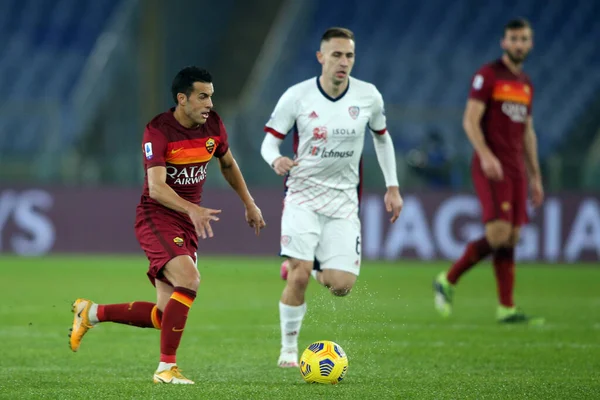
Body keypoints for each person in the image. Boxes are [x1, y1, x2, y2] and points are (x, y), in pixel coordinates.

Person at [69, 66, 266, 384]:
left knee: (164, 315)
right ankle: (166, 369)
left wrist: (249, 202)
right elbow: (157, 187)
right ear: (182, 99)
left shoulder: (213, 126)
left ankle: (91, 313)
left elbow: (227, 163)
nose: (209, 104)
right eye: (202, 97)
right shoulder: (158, 131)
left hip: (187, 221)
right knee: (189, 279)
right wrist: (193, 209)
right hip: (157, 216)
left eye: (211, 97)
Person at [260, 27, 404, 368]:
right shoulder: (297, 96)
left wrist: (393, 186)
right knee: (298, 275)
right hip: (302, 195)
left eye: (349, 55)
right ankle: (289, 351)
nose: (343, 62)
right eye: (336, 55)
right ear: (321, 57)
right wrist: (275, 159)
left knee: (341, 286)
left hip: (343, 202)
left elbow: (382, 139)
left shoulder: (369, 96)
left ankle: (307, 265)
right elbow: (269, 141)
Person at [433, 18, 544, 324]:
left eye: (524, 39)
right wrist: (485, 155)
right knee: (498, 234)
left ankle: (506, 308)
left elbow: (528, 132)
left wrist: (535, 175)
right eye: (514, 38)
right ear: (504, 42)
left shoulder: (525, 84)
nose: (519, 44)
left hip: (516, 168)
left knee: (512, 237)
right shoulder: (488, 75)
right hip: (491, 166)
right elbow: (470, 120)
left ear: (530, 43)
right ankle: (448, 279)